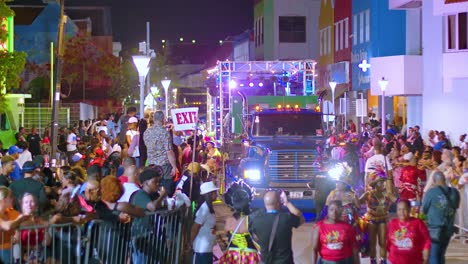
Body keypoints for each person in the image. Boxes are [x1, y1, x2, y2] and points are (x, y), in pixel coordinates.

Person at [248, 190, 305, 264]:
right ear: (279, 203)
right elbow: (300, 218)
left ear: (265, 203)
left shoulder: (256, 221)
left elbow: (255, 238)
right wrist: (287, 202)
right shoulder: (286, 218)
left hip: (265, 261)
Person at [422, 171, 460, 264]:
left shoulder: (431, 192)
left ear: (434, 181)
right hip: (448, 228)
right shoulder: (455, 192)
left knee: (433, 255)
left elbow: (424, 210)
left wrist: (422, 222)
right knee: (441, 254)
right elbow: (456, 206)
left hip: (434, 228)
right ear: (444, 180)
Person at [359, 176, 397, 264]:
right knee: (372, 243)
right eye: (380, 182)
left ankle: (383, 261)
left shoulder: (387, 194)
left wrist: (394, 191)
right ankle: (373, 261)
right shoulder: (368, 194)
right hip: (371, 220)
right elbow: (358, 203)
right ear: (375, 185)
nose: (383, 184)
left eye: (383, 182)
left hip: (383, 219)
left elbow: (398, 201)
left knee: (382, 243)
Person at [220, 182, 260, 264]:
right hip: (250, 256)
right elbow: (258, 239)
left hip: (232, 256)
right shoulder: (251, 219)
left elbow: (226, 238)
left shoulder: (229, 220)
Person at [143, 111, 178, 196]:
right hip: (164, 165)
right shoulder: (164, 133)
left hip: (151, 164)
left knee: (153, 186)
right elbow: (169, 151)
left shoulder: (146, 132)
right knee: (166, 187)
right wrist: (174, 166)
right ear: (163, 119)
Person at [386, 199, 431, 264]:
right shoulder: (392, 223)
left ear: (409, 209)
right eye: (399, 209)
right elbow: (388, 243)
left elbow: (427, 241)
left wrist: (426, 258)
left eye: (404, 209)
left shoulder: (418, 223)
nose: (402, 212)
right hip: (394, 261)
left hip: (415, 261)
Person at [190, 181, 219, 264]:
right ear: (209, 194)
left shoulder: (208, 207)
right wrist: (190, 243)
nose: (216, 194)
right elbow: (195, 227)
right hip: (202, 249)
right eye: (214, 192)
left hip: (207, 248)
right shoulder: (204, 208)